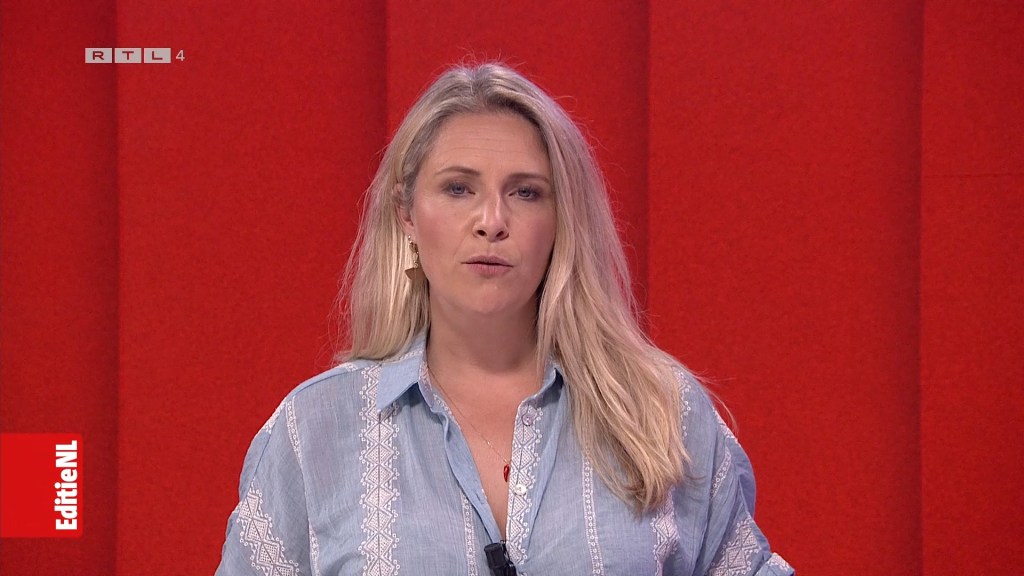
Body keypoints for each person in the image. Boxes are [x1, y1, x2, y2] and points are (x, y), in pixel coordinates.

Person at [215, 62, 793, 576]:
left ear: (562, 221)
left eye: (526, 193)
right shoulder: (314, 429)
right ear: (406, 215)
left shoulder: (663, 412)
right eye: (458, 188)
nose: (491, 221)